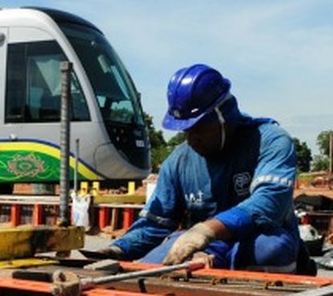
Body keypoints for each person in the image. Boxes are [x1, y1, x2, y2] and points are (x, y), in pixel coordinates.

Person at [101, 64, 310, 273]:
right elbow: (157, 221)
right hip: (202, 244)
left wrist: (207, 230)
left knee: (271, 249)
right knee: (154, 265)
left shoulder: (270, 141)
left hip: (257, 240)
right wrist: (120, 248)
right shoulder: (179, 161)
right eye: (186, 131)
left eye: (199, 129)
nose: (192, 139)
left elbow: (269, 202)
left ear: (223, 117)